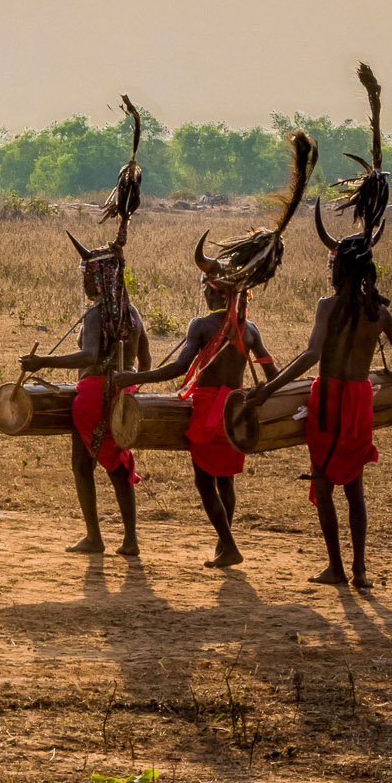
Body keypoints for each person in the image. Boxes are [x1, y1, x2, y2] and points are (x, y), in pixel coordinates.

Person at [108, 132, 315, 568]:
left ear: (215, 290)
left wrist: (132, 379)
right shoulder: (248, 326)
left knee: (206, 483)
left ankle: (229, 544)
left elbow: (177, 370)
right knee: (225, 482)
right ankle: (225, 544)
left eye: (206, 287)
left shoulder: (203, 325)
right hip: (237, 408)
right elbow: (271, 368)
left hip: (207, 411)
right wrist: (259, 396)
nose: (202, 293)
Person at [243, 196, 392, 591]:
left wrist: (268, 387)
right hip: (360, 400)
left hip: (330, 403)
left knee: (323, 484)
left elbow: (311, 356)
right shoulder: (380, 313)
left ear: (339, 268)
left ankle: (336, 567)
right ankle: (360, 571)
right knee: (354, 488)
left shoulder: (328, 306)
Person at [21, 96, 149, 559]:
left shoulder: (99, 314)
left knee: (83, 465)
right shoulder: (132, 313)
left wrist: (42, 361)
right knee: (119, 465)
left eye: (86, 276)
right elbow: (147, 359)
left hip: (95, 394)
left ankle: (95, 536)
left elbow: (90, 359)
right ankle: (130, 539)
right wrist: (136, 385)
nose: (83, 281)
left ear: (97, 277)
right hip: (126, 392)